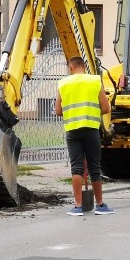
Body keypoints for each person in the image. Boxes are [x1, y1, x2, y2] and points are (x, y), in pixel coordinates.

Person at [55, 56, 113, 215]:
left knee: (76, 168)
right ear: (84, 67)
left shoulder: (63, 83)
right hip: (91, 129)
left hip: (73, 131)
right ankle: (100, 205)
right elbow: (106, 108)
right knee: (95, 167)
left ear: (70, 67)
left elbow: (58, 111)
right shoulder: (95, 81)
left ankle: (78, 206)